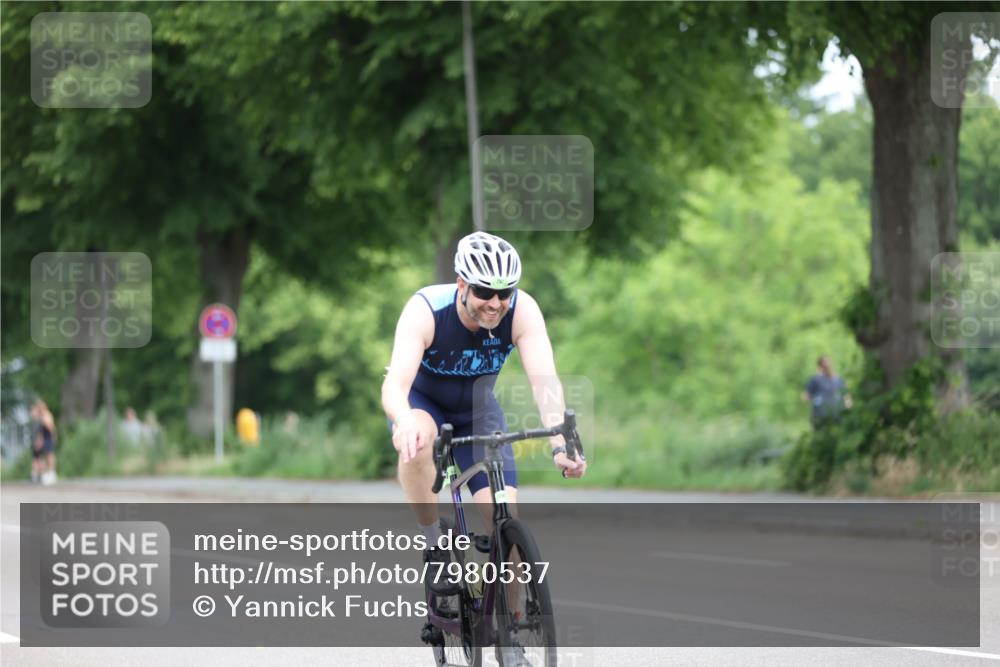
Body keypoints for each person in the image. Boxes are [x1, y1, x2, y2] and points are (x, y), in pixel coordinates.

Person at [381, 232, 587, 597]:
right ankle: (435, 546)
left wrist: (560, 442)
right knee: (417, 444)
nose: (495, 303)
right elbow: (395, 385)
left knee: (503, 517)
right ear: (462, 284)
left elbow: (545, 383)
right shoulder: (426, 310)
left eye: (504, 293)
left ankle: (517, 634)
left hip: (478, 410)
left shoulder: (522, 311)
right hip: (424, 403)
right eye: (484, 292)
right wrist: (405, 419)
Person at [801, 356, 853, 429]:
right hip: (820, 415)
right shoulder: (815, 380)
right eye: (824, 365)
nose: (827, 367)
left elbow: (846, 396)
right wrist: (816, 400)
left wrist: (848, 408)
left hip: (837, 415)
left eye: (828, 365)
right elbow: (805, 397)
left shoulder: (838, 380)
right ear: (820, 366)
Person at [30, 398, 58, 485]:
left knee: (50, 455)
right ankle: (46, 474)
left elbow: (51, 427)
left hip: (48, 438)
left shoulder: (46, 415)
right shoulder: (40, 416)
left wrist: (54, 436)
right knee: (44, 456)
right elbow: (39, 431)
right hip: (44, 439)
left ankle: (52, 473)